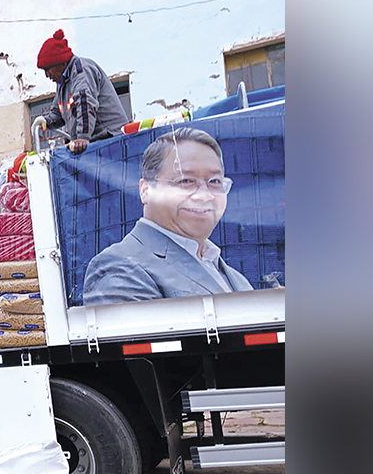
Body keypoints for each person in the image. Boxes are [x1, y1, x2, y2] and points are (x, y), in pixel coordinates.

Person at [82, 127, 254, 305]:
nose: (205, 195)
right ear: (146, 190)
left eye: (214, 181)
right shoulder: (120, 267)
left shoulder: (234, 277)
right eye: (185, 181)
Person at [36, 28, 129, 155]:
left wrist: (83, 137)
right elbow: (58, 113)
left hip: (110, 142)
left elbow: (85, 102)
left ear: (61, 62)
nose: (47, 75)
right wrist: (45, 121)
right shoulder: (63, 84)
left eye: (48, 69)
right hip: (95, 145)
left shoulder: (81, 71)